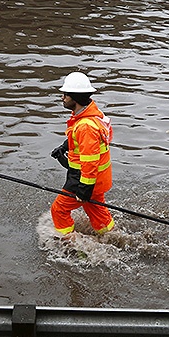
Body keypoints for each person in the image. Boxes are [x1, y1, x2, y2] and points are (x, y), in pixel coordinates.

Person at [49, 71, 115, 235]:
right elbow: (83, 143)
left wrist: (83, 189)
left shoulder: (85, 127)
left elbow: (90, 161)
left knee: (59, 210)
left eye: (66, 94)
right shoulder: (90, 115)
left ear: (75, 97)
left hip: (84, 180)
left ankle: (69, 245)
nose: (63, 98)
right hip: (97, 180)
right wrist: (65, 147)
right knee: (97, 211)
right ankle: (111, 237)